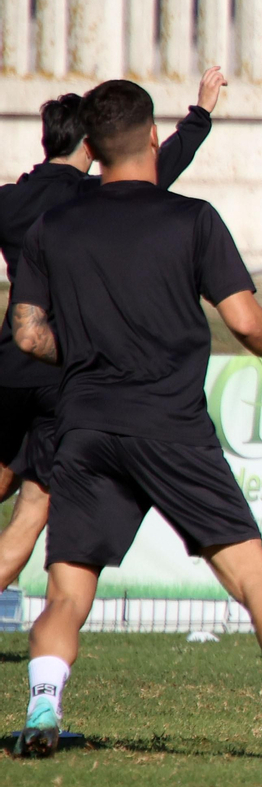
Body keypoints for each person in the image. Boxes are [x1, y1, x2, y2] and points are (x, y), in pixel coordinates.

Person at [7, 79, 262, 762]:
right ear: (155, 138)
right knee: (254, 581)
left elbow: (26, 331)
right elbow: (245, 320)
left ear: (92, 149)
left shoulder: (54, 227)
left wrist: (89, 352)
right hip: (170, 427)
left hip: (85, 428)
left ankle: (42, 708)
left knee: (68, 589)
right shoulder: (191, 219)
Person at [0, 67, 226, 597]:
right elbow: (161, 163)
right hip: (66, 371)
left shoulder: (9, 202)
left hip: (9, 363)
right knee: (32, 510)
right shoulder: (89, 201)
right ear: (90, 145)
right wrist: (201, 114)